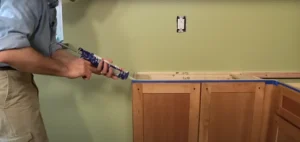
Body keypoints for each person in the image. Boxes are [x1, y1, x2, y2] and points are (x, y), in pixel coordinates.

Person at [0, 0, 117, 141]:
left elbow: (50, 49)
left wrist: (83, 64)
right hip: (7, 84)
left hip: (14, 82)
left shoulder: (47, 4)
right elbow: (8, 51)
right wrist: (67, 69)